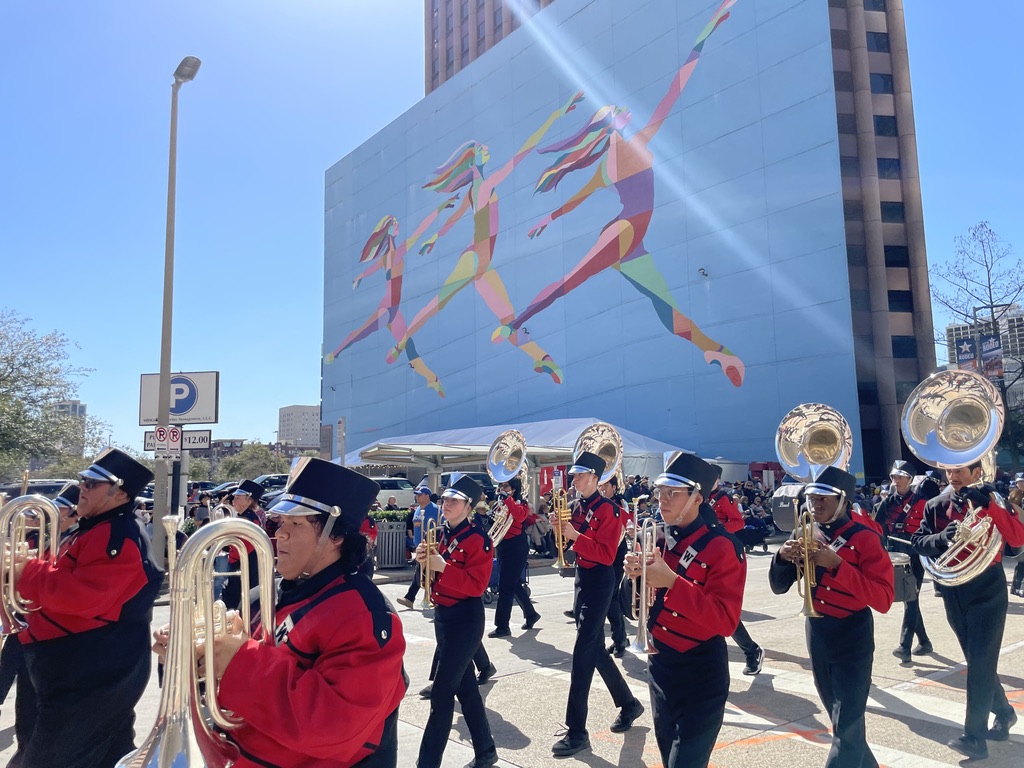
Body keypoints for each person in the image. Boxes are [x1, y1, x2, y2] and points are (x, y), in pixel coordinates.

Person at [178, 457, 407, 767]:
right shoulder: (267, 594)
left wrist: (239, 660)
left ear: (335, 535)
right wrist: (198, 649)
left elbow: (333, 727)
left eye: (295, 523)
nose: (279, 535)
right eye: (279, 523)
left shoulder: (365, 616)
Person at [12, 448, 161, 768]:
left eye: (92, 483)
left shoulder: (119, 533)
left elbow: (84, 596)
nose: (82, 487)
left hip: (90, 673)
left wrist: (26, 571)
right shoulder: (97, 526)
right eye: (83, 480)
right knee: (109, 756)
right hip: (82, 667)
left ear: (119, 492)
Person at [625, 452, 746, 768]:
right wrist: (632, 577)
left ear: (696, 498)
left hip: (701, 671)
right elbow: (636, 607)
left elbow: (726, 620)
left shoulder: (722, 546)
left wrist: (674, 582)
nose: (662, 501)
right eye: (660, 492)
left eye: (672, 494)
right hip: (661, 666)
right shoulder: (660, 537)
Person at [769, 466, 894, 768]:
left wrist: (837, 565)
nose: (815, 505)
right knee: (841, 722)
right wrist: (781, 558)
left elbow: (884, 599)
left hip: (853, 633)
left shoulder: (865, 538)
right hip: (818, 631)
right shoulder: (806, 529)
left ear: (843, 500)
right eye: (812, 498)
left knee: (847, 726)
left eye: (824, 499)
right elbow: (778, 587)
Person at [912, 460, 1024, 760]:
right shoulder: (936, 504)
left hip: (988, 589)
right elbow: (918, 541)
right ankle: (1004, 712)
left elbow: (1017, 540)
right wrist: (943, 538)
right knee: (977, 661)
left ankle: (974, 737)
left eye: (960, 470)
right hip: (953, 590)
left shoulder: (994, 500)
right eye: (949, 471)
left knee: (980, 664)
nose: (953, 476)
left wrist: (991, 506)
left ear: (977, 473)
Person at [551, 451, 644, 758]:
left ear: (594, 477)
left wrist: (574, 534)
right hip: (582, 577)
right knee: (593, 649)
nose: (573, 480)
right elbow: (568, 544)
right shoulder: (578, 506)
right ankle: (629, 704)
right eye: (573, 475)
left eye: (578, 475)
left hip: (601, 579)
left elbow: (605, 554)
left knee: (582, 653)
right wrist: (559, 528)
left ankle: (577, 730)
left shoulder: (611, 510)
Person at [416, 473, 498, 768]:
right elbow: (436, 574)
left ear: (468, 507)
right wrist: (425, 559)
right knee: (466, 690)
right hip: (444, 616)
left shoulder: (478, 538)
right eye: (445, 498)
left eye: (454, 501)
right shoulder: (442, 533)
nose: (446, 503)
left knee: (441, 694)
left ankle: (427, 763)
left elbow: (476, 586)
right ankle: (486, 750)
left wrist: (442, 566)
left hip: (465, 619)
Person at [872, 460, 939, 662]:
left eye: (900, 477)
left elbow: (930, 531)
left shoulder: (922, 502)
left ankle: (904, 646)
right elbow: (877, 528)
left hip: (915, 554)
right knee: (908, 598)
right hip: (895, 555)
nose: (896, 480)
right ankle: (925, 642)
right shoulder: (887, 502)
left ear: (909, 479)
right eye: (894, 477)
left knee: (911, 598)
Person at [707, 476, 764, 676]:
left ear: (718, 480)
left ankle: (751, 651)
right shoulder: (698, 497)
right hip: (703, 551)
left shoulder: (723, 498)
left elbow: (738, 522)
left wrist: (717, 531)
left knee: (723, 608)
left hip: (724, 551)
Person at [489, 476, 540, 638]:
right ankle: (531, 614)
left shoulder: (521, 503)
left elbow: (519, 516)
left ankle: (502, 626)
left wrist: (508, 500)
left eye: (506, 486)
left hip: (516, 547)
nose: (502, 488)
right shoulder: (501, 503)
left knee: (505, 587)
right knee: (514, 584)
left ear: (514, 489)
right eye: (501, 485)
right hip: (503, 545)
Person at [220, 480, 266, 611]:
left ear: (249, 501)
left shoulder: (250, 520)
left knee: (238, 606)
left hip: (245, 570)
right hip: (239, 568)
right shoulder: (243, 517)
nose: (233, 500)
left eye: (238, 498)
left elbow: (241, 550)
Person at [598, 474, 629, 657]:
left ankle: (620, 639)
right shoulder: (598, 504)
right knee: (609, 600)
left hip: (615, 557)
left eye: (606, 485)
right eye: (600, 485)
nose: (602, 488)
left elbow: (627, 521)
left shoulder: (618, 504)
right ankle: (620, 638)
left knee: (611, 600)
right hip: (601, 556)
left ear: (614, 487)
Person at [397, 485, 439, 608]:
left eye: (420, 494)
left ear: (427, 496)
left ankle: (410, 597)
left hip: (430, 546)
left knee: (422, 572)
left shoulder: (435, 509)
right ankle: (412, 597)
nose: (417, 496)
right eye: (417, 494)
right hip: (419, 546)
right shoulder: (417, 510)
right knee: (422, 572)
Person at [1010, 473, 1024, 597]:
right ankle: (1017, 586)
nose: (1021, 484)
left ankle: (1016, 587)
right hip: (1018, 528)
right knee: (1022, 561)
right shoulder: (1014, 495)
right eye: (1019, 482)